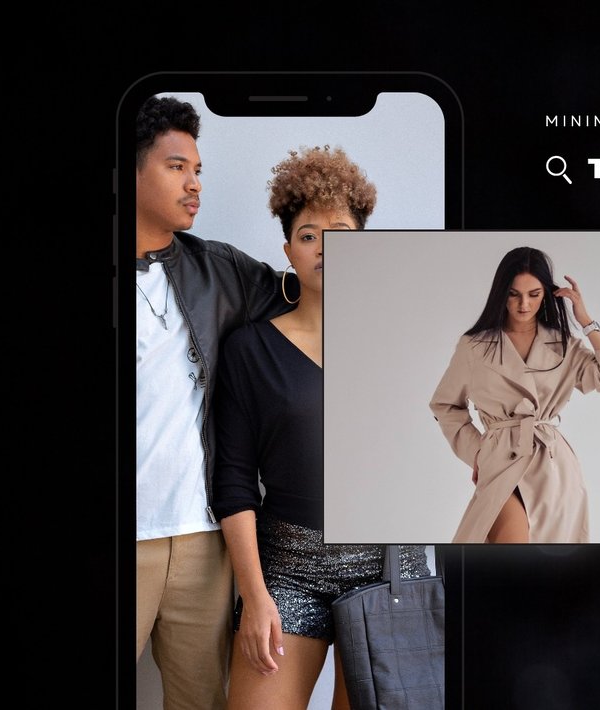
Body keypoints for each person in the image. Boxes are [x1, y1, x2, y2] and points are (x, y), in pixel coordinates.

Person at [210, 147, 430, 707]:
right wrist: (255, 596)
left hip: (388, 568)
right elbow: (234, 481)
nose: (325, 247)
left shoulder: (402, 339)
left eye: (341, 231)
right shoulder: (250, 349)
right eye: (309, 235)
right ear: (288, 250)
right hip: (287, 570)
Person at [134, 96, 292, 709]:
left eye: (198, 171)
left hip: (203, 541)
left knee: (200, 701)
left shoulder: (217, 270)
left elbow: (306, 299)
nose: (194, 185)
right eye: (178, 167)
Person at [430, 247, 600, 543]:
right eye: (514, 294)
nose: (524, 304)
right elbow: (446, 406)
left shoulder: (564, 345)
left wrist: (586, 321)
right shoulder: (475, 346)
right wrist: (478, 452)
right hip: (500, 461)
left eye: (534, 294)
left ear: (547, 295)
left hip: (552, 467)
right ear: (501, 293)